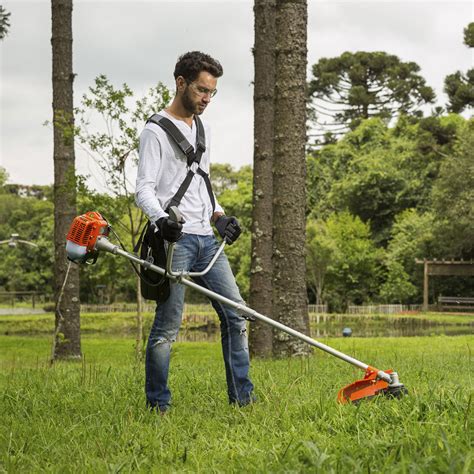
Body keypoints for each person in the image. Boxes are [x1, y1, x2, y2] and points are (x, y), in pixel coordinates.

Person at [135, 51, 255, 413]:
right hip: (176, 241)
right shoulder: (155, 131)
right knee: (168, 328)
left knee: (236, 315)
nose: (206, 99)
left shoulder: (201, 128)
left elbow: (202, 183)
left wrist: (219, 216)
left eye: (212, 93)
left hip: (207, 240)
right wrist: (162, 220)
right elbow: (143, 189)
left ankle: (243, 401)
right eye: (202, 90)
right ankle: (158, 406)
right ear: (181, 83)